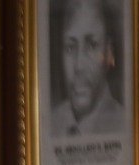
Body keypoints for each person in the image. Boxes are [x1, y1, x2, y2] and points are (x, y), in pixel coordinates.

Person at [51, 0, 124, 138]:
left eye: (92, 46)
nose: (79, 65)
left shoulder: (125, 125)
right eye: (70, 47)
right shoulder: (49, 124)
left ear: (109, 52)